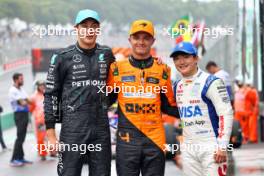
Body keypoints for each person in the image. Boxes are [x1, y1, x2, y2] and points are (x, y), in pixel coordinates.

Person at [44, 9, 115, 176]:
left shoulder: (107, 54)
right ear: (76, 29)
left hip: (101, 129)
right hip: (72, 129)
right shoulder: (61, 56)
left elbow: (114, 86)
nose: (89, 30)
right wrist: (51, 134)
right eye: (84, 26)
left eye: (94, 26)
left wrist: (104, 105)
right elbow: (50, 95)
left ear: (98, 30)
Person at [107, 19, 179, 176]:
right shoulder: (116, 69)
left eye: (146, 38)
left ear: (153, 41)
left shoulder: (163, 69)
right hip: (126, 140)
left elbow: (169, 105)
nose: (141, 42)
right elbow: (105, 101)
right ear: (130, 40)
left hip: (155, 140)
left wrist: (200, 113)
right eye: (137, 37)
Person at [170, 42, 233, 175]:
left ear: (196, 58)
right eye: (176, 58)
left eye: (185, 57)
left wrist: (222, 146)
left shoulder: (212, 82)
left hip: (212, 145)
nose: (181, 62)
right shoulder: (176, 86)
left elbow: (226, 113)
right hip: (188, 148)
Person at [8, 73, 33, 167]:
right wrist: (25, 101)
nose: (23, 80)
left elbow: (29, 101)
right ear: (15, 80)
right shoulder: (12, 90)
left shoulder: (21, 89)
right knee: (19, 138)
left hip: (25, 114)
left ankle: (21, 157)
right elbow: (23, 103)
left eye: (23, 78)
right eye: (21, 79)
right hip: (19, 115)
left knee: (22, 138)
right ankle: (13, 159)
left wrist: (25, 101)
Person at [29, 80, 48, 160]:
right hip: (40, 120)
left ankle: (53, 152)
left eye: (43, 85)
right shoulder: (33, 97)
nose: (42, 86)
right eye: (40, 85)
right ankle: (42, 153)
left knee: (51, 136)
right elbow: (30, 109)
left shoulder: (48, 94)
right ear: (37, 86)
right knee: (41, 137)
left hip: (49, 119)